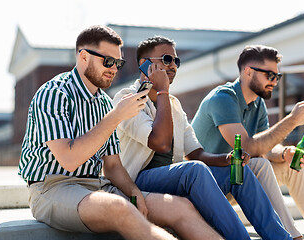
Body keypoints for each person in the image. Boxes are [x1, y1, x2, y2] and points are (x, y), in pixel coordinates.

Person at [18, 25, 225, 240]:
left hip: (97, 185)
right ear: (83, 57)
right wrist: (116, 117)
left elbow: (114, 166)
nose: (114, 69)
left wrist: (135, 193)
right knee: (119, 207)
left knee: (180, 207)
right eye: (108, 61)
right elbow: (69, 159)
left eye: (118, 63)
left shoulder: (104, 103)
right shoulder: (54, 93)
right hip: (52, 187)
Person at [113, 36, 292, 240]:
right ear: (144, 64)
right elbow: (160, 143)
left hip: (174, 179)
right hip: (137, 181)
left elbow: (196, 153)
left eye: (176, 61)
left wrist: (227, 159)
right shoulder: (127, 98)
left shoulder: (174, 105)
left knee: (238, 170)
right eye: (166, 59)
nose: (173, 66)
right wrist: (161, 90)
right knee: (195, 170)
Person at [191, 44, 304, 240]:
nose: (275, 82)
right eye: (270, 76)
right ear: (248, 72)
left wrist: (284, 153)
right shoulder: (223, 98)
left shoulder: (257, 103)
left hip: (238, 180)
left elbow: (266, 147)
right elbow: (248, 147)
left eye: (277, 77)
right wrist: (292, 119)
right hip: (208, 185)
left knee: (290, 166)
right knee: (258, 164)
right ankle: (291, 236)